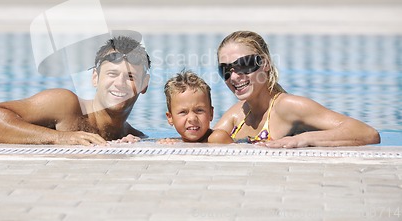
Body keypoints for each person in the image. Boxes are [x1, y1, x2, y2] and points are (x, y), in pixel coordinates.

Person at [212, 30, 380, 148]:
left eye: (243, 65)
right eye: (225, 70)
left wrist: (304, 139)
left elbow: (367, 132)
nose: (234, 77)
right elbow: (206, 140)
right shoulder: (237, 115)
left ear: (265, 64)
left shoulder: (288, 106)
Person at [0, 36, 151, 145]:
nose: (119, 83)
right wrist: (58, 138)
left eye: (130, 77)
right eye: (112, 74)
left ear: (144, 84)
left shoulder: (133, 136)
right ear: (95, 78)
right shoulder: (65, 105)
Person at [160, 70, 232, 144]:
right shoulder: (178, 141)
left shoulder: (217, 138)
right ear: (170, 118)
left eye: (199, 110)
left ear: (211, 113)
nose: (192, 118)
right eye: (183, 112)